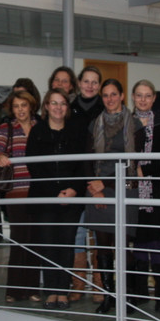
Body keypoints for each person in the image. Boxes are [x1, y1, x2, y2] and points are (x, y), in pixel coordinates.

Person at [85, 79, 141, 314]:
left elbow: (132, 162)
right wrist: (94, 188)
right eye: (106, 95)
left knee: (123, 246)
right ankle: (109, 296)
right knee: (103, 247)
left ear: (121, 96)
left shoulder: (135, 124)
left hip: (124, 187)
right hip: (98, 190)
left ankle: (126, 297)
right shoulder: (94, 124)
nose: (110, 99)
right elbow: (87, 158)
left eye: (114, 94)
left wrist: (104, 183)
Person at [26, 89, 86, 310]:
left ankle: (63, 291)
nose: (58, 107)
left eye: (62, 103)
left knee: (66, 245)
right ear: (46, 106)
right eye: (54, 103)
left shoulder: (76, 131)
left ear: (67, 107)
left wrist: (73, 190)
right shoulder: (37, 131)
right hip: (45, 198)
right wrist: (55, 193)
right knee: (49, 244)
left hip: (72, 198)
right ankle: (52, 290)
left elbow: (83, 164)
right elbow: (34, 166)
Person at [0, 90, 39, 303]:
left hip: (38, 192)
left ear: (31, 106)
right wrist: (0, 155)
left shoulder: (39, 126)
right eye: (16, 106)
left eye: (24, 105)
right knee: (20, 240)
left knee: (35, 241)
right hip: (16, 193)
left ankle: (32, 289)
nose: (20, 110)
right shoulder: (7, 128)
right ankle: (14, 290)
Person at [130, 80, 160, 312]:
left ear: (154, 98)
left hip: (156, 190)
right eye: (139, 95)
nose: (143, 100)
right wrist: (134, 171)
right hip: (132, 190)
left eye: (148, 95)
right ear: (133, 97)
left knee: (155, 241)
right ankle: (139, 293)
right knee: (138, 241)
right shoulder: (126, 123)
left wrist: (142, 171)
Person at [69, 66, 103, 302]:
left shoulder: (106, 107)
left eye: (94, 82)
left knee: (100, 234)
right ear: (79, 83)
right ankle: (78, 284)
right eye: (86, 81)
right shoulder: (69, 108)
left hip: (99, 181)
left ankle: (100, 285)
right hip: (75, 178)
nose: (90, 86)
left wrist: (98, 180)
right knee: (77, 234)